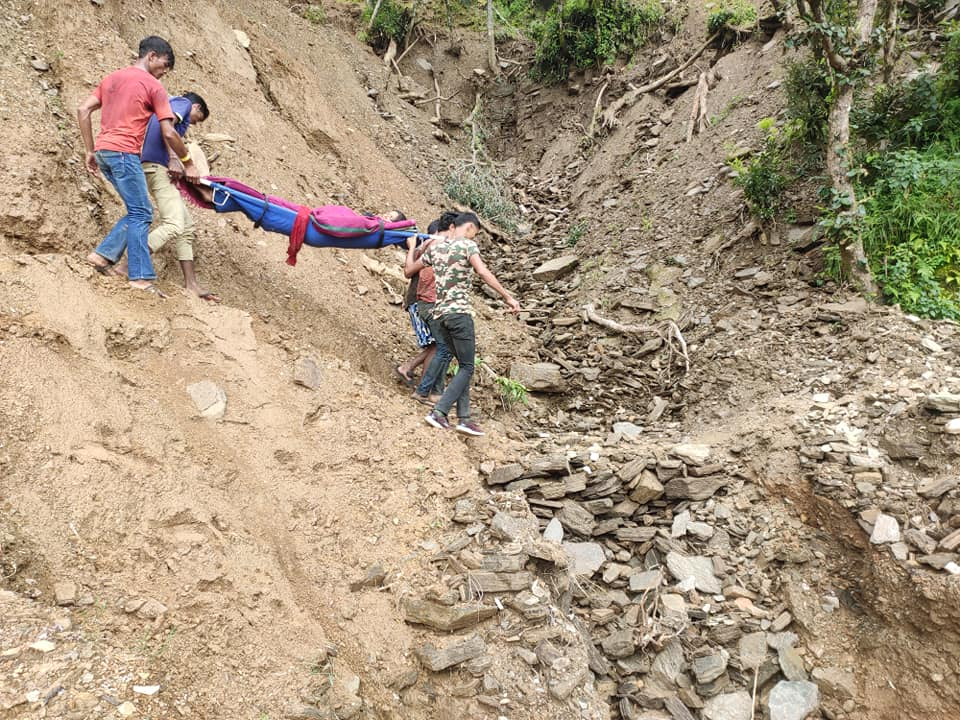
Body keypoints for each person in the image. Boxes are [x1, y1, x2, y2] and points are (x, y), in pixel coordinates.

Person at [78, 36, 199, 296]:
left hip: (104, 152)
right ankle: (140, 277)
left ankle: (102, 256)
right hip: (124, 153)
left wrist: (90, 150)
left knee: (136, 210)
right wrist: (188, 162)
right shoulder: (153, 86)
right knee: (143, 213)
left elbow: (83, 110)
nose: (164, 72)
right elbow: (169, 132)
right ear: (151, 56)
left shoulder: (111, 79)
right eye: (164, 65)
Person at [413, 212, 520, 436]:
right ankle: (439, 412)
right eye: (476, 233)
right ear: (470, 228)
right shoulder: (467, 246)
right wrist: (507, 297)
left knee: (463, 365)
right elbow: (482, 271)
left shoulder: (436, 248)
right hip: (458, 313)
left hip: (439, 314)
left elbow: (413, 266)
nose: (475, 237)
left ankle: (464, 418)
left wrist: (421, 247)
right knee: (468, 367)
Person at [111, 92, 218, 301]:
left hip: (153, 167)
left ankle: (192, 285)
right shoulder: (183, 103)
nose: (193, 124)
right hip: (157, 167)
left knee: (186, 228)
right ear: (196, 108)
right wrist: (174, 158)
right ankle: (127, 266)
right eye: (197, 119)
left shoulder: (168, 106)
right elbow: (167, 130)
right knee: (174, 224)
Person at [405, 212, 456, 405]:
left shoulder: (433, 247)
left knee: (440, 346)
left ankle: (423, 384)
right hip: (425, 303)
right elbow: (409, 272)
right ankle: (426, 391)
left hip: (428, 303)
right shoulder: (433, 247)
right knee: (439, 346)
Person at [391, 210, 435, 386]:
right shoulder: (423, 250)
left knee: (437, 344)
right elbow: (408, 271)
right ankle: (420, 382)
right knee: (437, 344)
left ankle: (410, 370)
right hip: (419, 301)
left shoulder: (425, 249)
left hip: (422, 301)